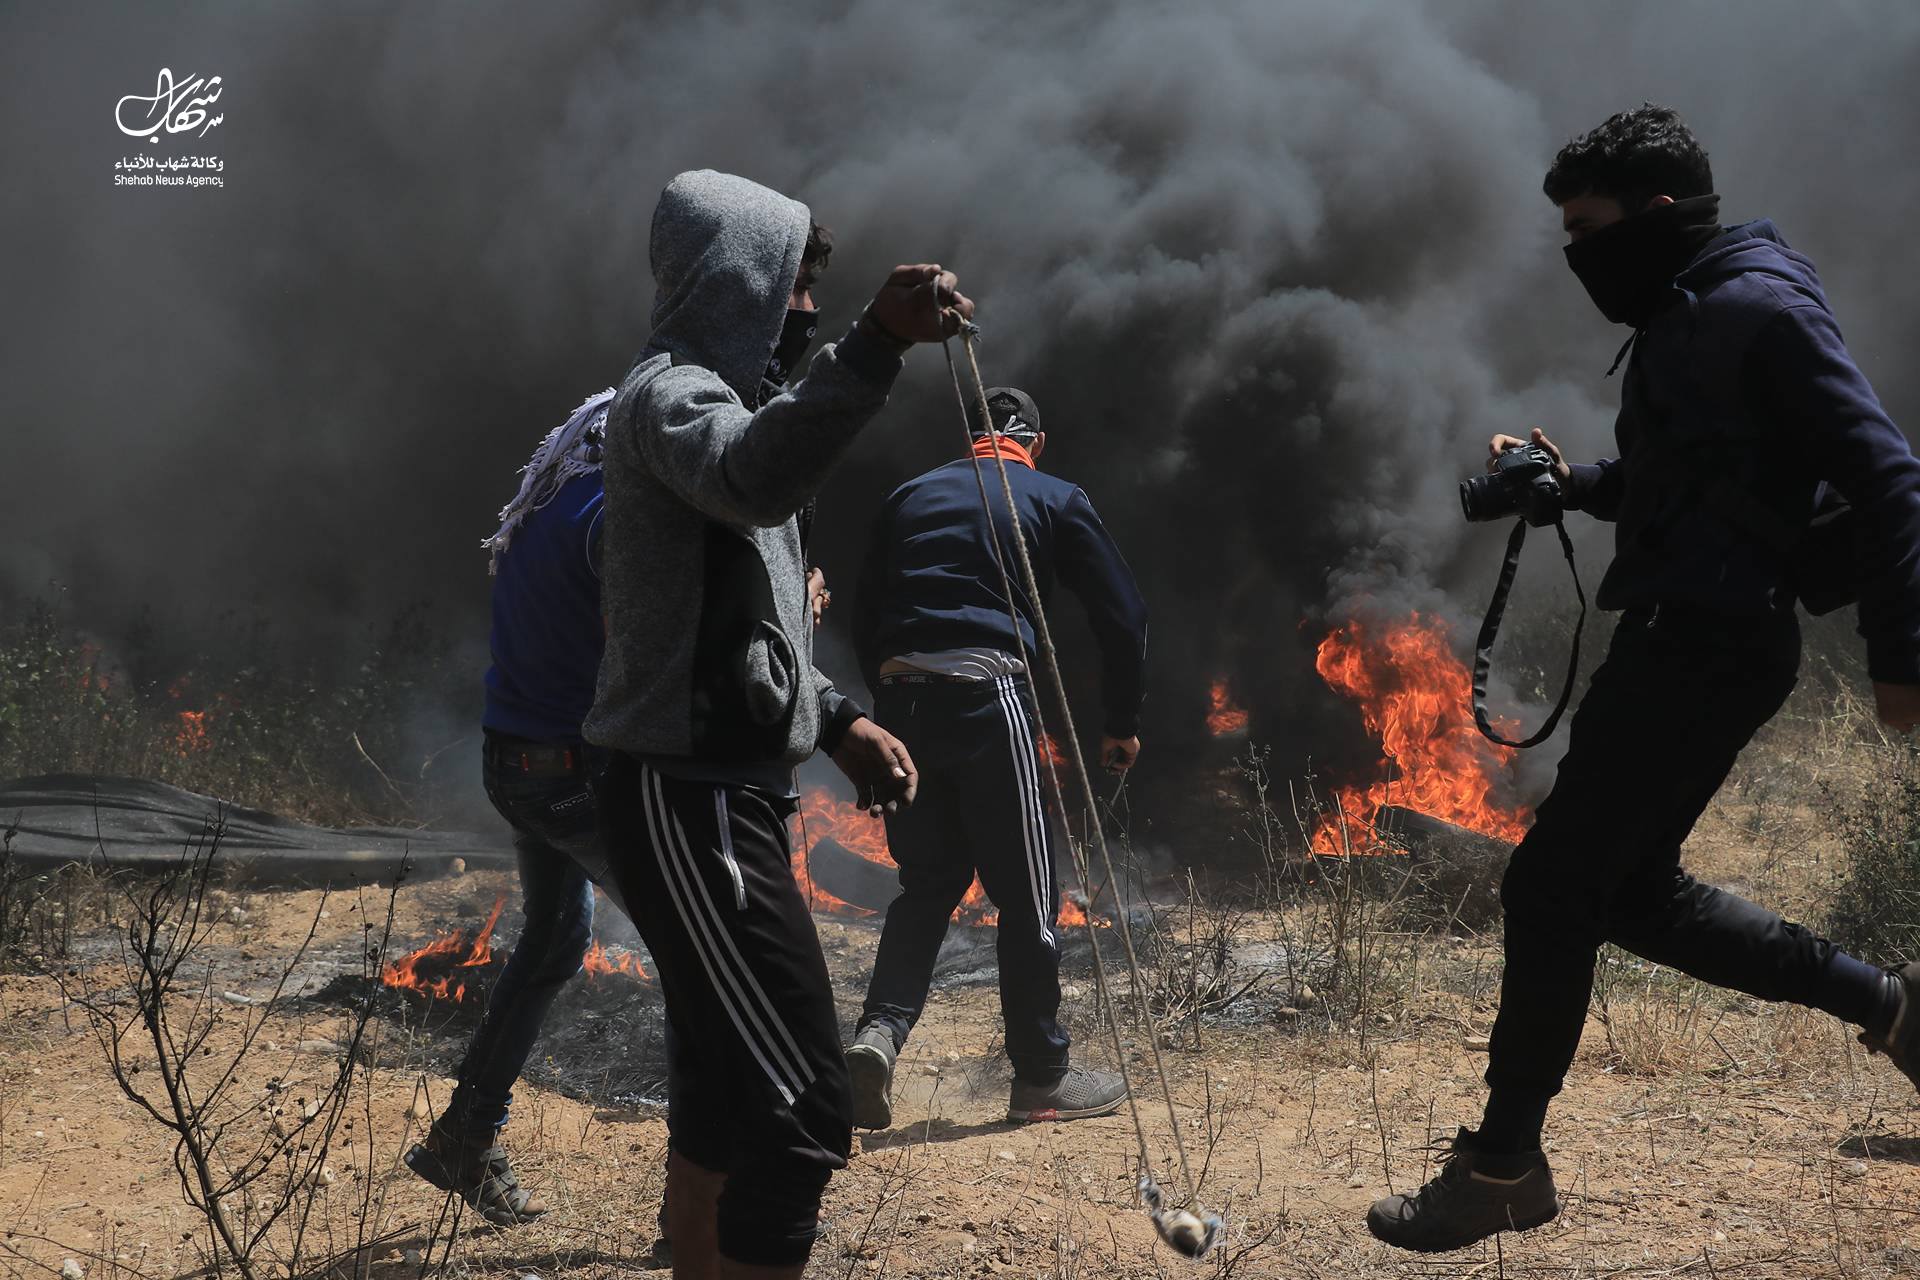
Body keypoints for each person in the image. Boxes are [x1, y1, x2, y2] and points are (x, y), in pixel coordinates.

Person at [1367, 104, 1920, 1253]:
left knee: (1551, 888)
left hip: (1711, 644)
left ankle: (1503, 1165)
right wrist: (1570, 483)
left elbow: (1890, 478)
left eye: (1587, 228)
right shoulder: (1692, 309)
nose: (1576, 253)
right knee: (1629, 893)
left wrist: (1901, 656)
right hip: (1681, 636)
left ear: (1656, 215)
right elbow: (1694, 474)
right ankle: (1895, 1005)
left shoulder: (1758, 309)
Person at [405, 225, 839, 1237]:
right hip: (573, 766)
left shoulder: (568, 474)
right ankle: (700, 1210)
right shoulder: (620, 513)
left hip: (520, 756)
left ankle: (465, 1134)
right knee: (702, 966)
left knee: (556, 940)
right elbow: (647, 649)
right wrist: (787, 617)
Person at [585, 169, 972, 1279]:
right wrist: (875, 344)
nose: (806, 310)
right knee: (804, 1106)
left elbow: (745, 622)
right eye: (795, 285)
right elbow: (751, 478)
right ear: (736, 280)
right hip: (686, 793)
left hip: (726, 788)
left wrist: (836, 721)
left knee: (720, 1091)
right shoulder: (672, 398)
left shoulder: (723, 407)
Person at [843, 386, 1148, 1129]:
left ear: (971, 437)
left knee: (926, 886)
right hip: (987, 698)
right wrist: (1121, 721)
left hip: (900, 707)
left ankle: (878, 1035)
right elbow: (1124, 614)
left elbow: (864, 615)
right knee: (1027, 893)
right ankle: (1042, 1076)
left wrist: (886, 713)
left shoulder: (910, 494)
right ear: (1034, 444)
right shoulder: (1054, 496)